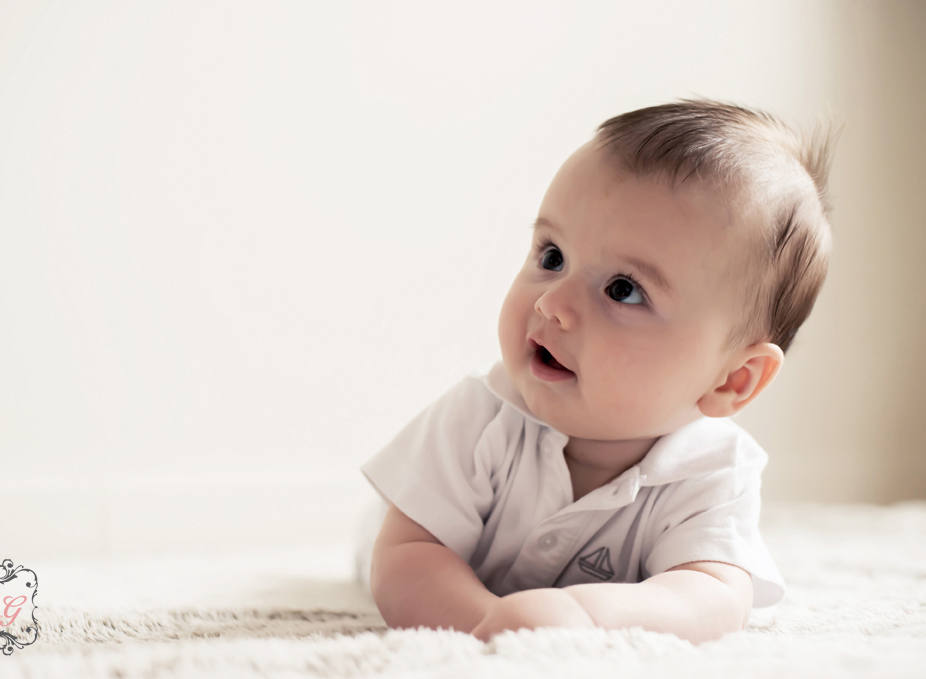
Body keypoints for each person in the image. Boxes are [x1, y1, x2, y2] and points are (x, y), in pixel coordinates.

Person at [355, 99, 837, 644]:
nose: (553, 303)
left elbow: (714, 595)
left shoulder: (713, 471)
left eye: (622, 290)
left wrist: (589, 615)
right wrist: (485, 623)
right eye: (552, 256)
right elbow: (406, 556)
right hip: (441, 552)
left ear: (733, 380)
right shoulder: (481, 416)